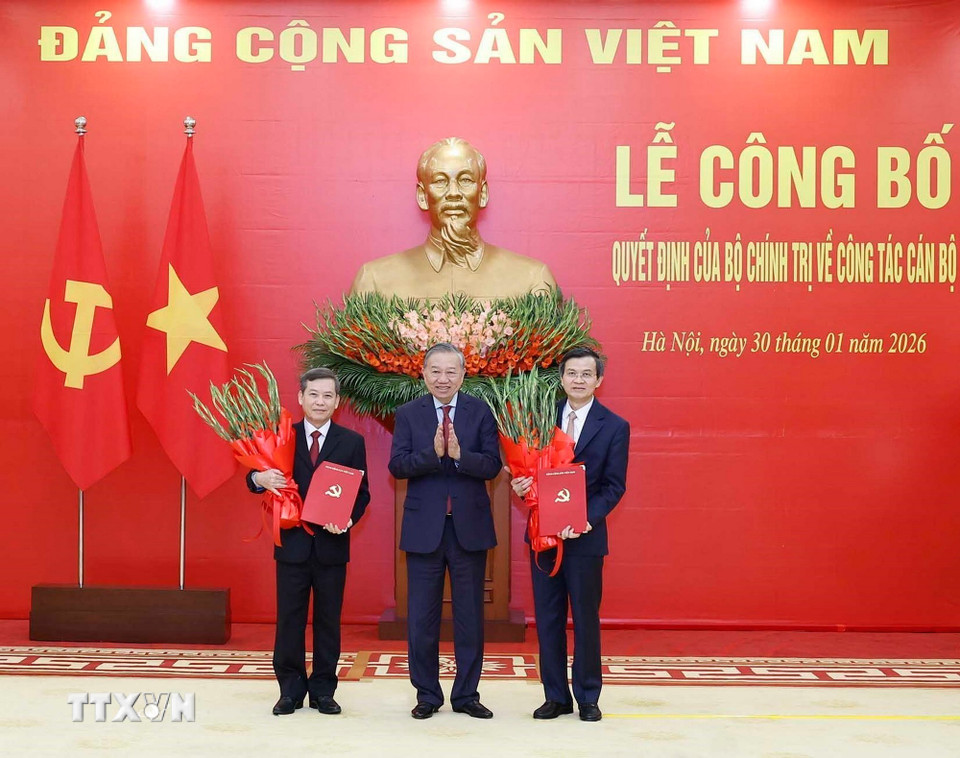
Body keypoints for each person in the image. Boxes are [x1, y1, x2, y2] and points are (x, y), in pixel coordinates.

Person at [510, 346, 629, 722]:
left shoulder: (615, 426)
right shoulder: (539, 419)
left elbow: (614, 486)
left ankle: (588, 696)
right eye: (572, 373)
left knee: (585, 618)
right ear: (561, 378)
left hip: (586, 539)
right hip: (543, 535)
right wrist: (521, 486)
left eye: (586, 374)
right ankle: (555, 696)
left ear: (599, 380)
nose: (579, 380)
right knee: (548, 619)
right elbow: (528, 469)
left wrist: (585, 519)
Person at [247, 367, 370, 717]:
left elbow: (362, 493)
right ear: (301, 397)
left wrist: (347, 519)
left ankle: (323, 691)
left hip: (332, 546)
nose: (320, 401)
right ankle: (290, 690)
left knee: (328, 621)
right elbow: (253, 477)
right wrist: (259, 478)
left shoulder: (351, 442)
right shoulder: (281, 437)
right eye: (313, 394)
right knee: (290, 620)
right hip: (292, 545)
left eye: (327, 395)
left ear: (337, 401)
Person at [389, 342, 503, 719]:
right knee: (422, 619)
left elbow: (492, 465)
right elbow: (397, 466)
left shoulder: (480, 411)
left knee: (470, 618)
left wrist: (459, 456)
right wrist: (432, 454)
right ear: (423, 374)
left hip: (469, 529)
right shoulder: (409, 414)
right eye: (435, 371)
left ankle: (466, 695)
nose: (443, 378)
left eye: (451, 371)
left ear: (463, 375)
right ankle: (427, 695)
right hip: (424, 530)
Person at [350, 137, 557, 299]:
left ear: (483, 193)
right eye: (440, 181)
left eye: (465, 180)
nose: (453, 193)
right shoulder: (374, 281)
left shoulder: (532, 280)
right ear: (422, 196)